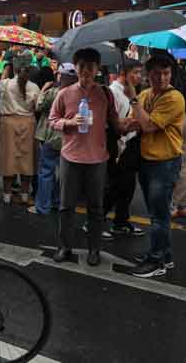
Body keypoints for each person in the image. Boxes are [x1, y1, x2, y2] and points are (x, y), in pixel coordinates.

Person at [49, 48, 123, 267]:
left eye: (90, 67)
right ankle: (64, 246)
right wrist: (68, 124)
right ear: (76, 67)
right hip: (70, 157)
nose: (86, 71)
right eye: (82, 66)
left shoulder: (105, 94)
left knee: (96, 209)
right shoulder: (64, 93)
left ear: (97, 69)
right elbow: (52, 120)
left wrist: (129, 119)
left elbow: (115, 122)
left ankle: (94, 249)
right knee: (66, 206)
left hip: (97, 159)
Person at [125, 52, 185, 278]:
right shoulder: (146, 95)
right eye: (157, 73)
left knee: (159, 215)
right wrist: (122, 124)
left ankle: (157, 260)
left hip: (165, 162)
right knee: (155, 212)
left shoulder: (174, 98)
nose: (161, 78)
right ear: (148, 75)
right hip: (147, 159)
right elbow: (138, 123)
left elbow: (149, 126)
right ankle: (164, 255)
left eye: (166, 73)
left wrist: (132, 99)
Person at [102, 59, 146, 238]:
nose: (139, 77)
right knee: (112, 188)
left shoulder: (132, 93)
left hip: (130, 146)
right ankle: (94, 221)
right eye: (135, 72)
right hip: (117, 146)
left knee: (126, 187)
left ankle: (121, 221)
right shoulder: (113, 92)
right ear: (123, 73)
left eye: (139, 73)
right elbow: (112, 123)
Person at [29, 63, 77, 215]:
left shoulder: (54, 92)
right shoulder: (78, 93)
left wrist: (43, 89)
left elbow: (39, 105)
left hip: (52, 135)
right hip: (70, 137)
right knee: (63, 173)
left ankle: (42, 206)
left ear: (60, 76)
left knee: (46, 171)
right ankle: (57, 201)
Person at [0, 58, 40, 205]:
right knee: (27, 159)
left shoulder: (5, 84)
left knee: (9, 159)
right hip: (28, 124)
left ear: (13, 69)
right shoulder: (34, 87)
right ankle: (25, 195)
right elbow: (38, 107)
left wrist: (4, 73)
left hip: (8, 124)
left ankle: (7, 195)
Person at [171, 63, 186, 218]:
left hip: (174, 119)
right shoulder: (185, 79)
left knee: (171, 162)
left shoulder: (166, 80)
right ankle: (185, 204)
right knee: (185, 163)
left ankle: (173, 203)